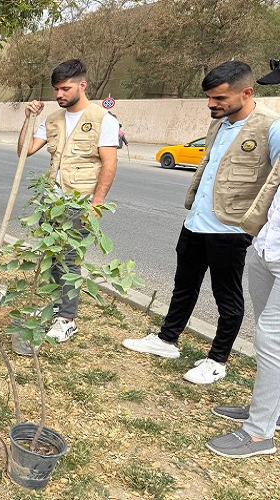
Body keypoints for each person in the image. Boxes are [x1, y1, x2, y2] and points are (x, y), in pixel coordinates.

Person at [123, 60, 280, 384]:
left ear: (246, 93)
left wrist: (257, 225)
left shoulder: (270, 127)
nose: (211, 104)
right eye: (209, 97)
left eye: (219, 98)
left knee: (227, 297)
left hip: (230, 230)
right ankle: (167, 340)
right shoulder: (219, 123)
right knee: (184, 285)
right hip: (196, 223)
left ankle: (217, 360)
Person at [206, 59, 280, 458]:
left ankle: (259, 433)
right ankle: (269, 409)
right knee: (267, 334)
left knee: (272, 339)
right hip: (268, 244)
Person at [17, 59, 120, 343]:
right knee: (52, 259)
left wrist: (96, 205)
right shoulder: (52, 120)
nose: (59, 95)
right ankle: (55, 307)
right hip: (53, 201)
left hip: (80, 202)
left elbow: (109, 165)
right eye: (56, 90)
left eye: (65, 88)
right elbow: (24, 151)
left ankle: (67, 319)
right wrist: (28, 119)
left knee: (70, 263)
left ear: (82, 85)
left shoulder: (103, 120)